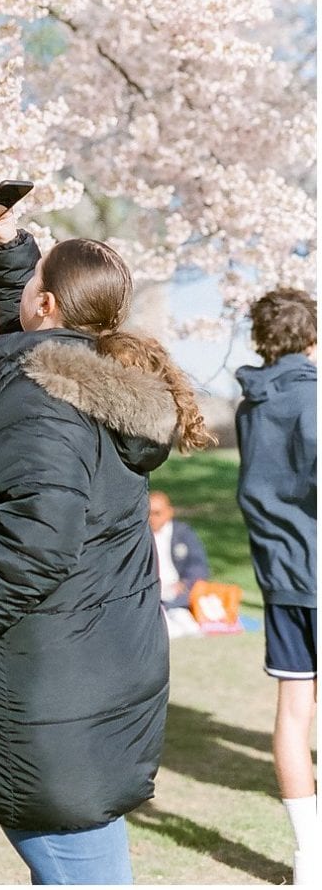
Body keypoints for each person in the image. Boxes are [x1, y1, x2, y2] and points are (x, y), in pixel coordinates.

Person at [0, 205, 213, 885]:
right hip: (87, 670)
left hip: (49, 689)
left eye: (31, 287)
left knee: (83, 873)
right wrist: (12, 255)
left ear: (47, 304)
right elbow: (38, 347)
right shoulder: (84, 384)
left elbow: (38, 542)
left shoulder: (40, 402)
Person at [235, 288, 317, 885]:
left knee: (293, 713)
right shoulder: (312, 400)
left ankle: (309, 859)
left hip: (282, 577)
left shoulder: (250, 406)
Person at [147, 490, 211, 611]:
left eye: (157, 513)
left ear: (169, 512)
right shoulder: (138, 536)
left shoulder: (183, 533)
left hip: (177, 591)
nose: (152, 518)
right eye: (148, 513)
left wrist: (185, 583)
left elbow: (198, 565)